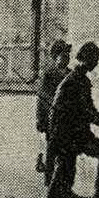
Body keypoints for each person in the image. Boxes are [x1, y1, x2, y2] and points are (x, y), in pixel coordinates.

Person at [43, 40, 99, 198]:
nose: (96, 62)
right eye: (95, 59)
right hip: (65, 135)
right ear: (86, 59)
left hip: (77, 133)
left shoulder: (81, 79)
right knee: (61, 174)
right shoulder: (74, 81)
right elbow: (86, 112)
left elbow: (88, 110)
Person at [36, 40, 71, 179]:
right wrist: (41, 119)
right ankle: (48, 177)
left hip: (66, 118)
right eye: (63, 55)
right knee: (50, 149)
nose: (66, 58)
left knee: (65, 151)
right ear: (55, 56)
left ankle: (62, 181)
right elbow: (42, 96)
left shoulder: (70, 74)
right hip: (50, 117)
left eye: (68, 55)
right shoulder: (48, 74)